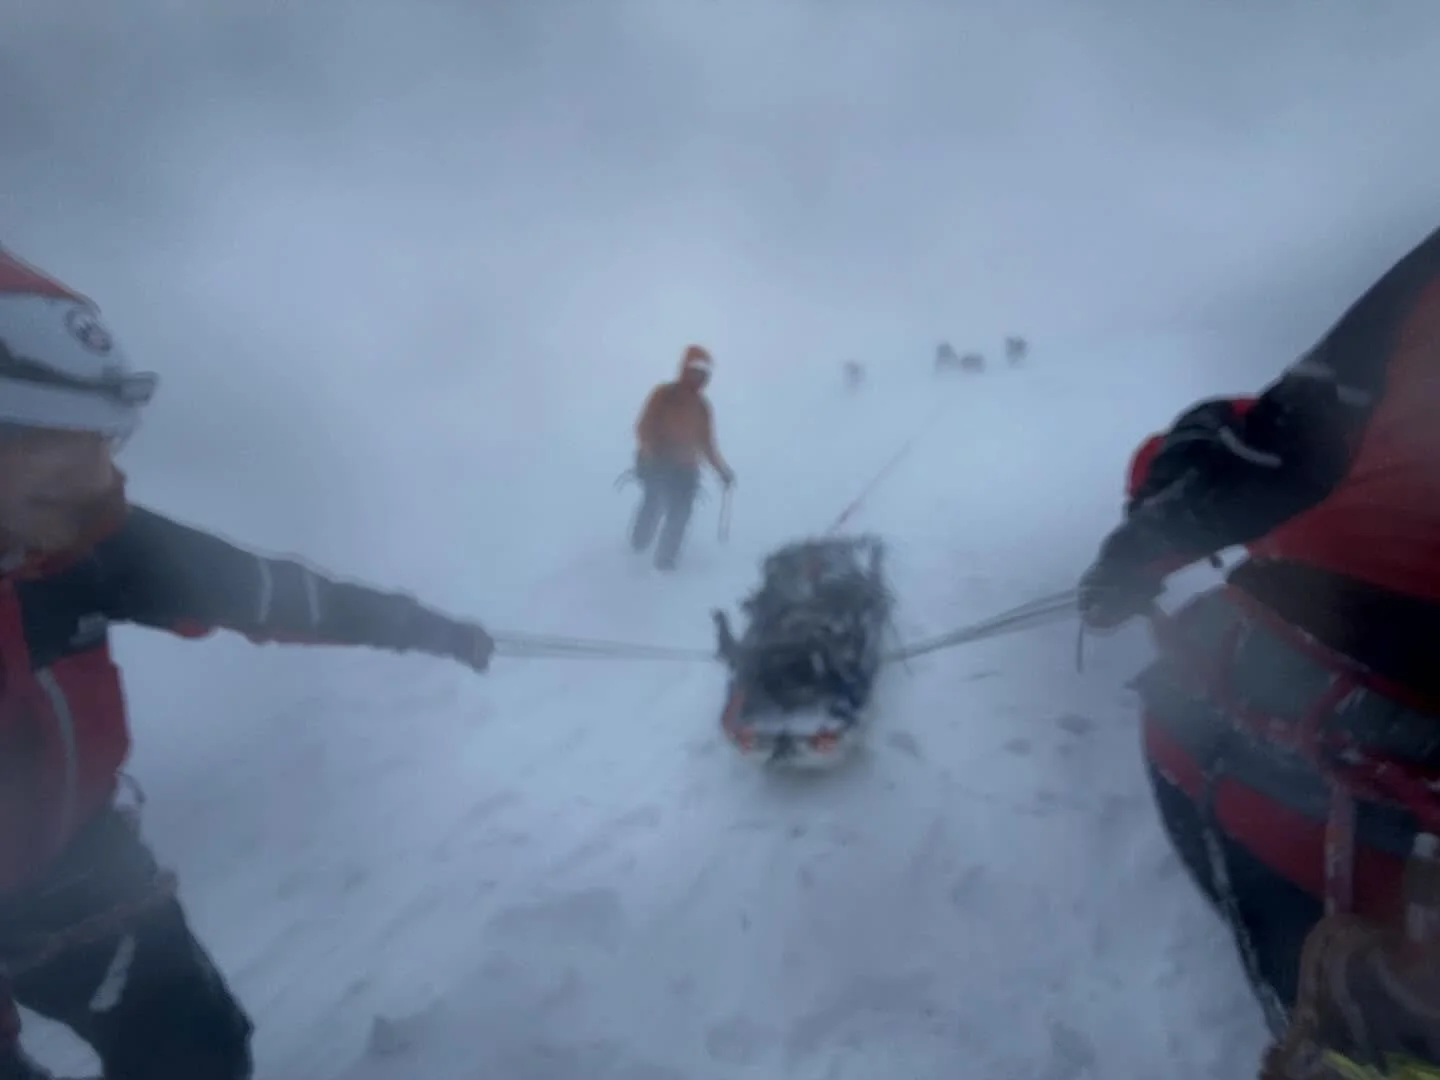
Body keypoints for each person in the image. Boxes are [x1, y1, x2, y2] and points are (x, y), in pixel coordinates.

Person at [0, 246, 496, 1080]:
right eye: (60, 449)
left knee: (195, 1046)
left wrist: (423, 627)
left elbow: (263, 593)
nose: (101, 480)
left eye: (106, 441)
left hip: (77, 870)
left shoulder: (87, 540)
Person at [1075, 223, 1440, 1075]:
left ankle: (1321, 1026)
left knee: (1184, 704)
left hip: (1371, 701)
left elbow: (1280, 448)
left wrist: (1128, 564)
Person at [631, 345, 734, 571]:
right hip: (657, 463)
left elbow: (707, 445)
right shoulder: (664, 395)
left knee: (680, 514)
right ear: (685, 368)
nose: (698, 376)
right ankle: (636, 549)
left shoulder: (702, 407)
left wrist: (722, 470)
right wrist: (650, 452)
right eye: (694, 370)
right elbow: (643, 427)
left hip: (685, 469)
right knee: (654, 502)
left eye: (703, 372)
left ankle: (665, 563)